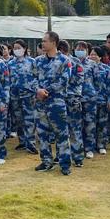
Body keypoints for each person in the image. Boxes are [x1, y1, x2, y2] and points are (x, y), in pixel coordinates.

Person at [34, 31, 72, 175]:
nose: (42, 43)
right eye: (42, 41)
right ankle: (46, 161)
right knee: (42, 134)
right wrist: (37, 90)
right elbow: (31, 78)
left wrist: (45, 91)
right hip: (40, 104)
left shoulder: (64, 60)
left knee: (61, 134)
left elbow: (64, 80)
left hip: (56, 103)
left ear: (54, 43)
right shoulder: (37, 61)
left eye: (45, 41)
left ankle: (64, 164)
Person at [8, 39, 38, 155]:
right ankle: (22, 141)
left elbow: (36, 77)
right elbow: (8, 79)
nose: (17, 50)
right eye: (15, 48)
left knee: (29, 118)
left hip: (28, 95)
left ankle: (31, 143)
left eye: (19, 48)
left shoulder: (31, 62)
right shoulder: (10, 63)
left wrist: (34, 89)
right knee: (18, 119)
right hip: (15, 95)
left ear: (24, 49)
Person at [89, 46, 110, 155]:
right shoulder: (85, 68)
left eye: (95, 55)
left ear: (100, 57)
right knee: (89, 125)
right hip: (89, 101)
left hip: (102, 100)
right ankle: (89, 147)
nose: (92, 56)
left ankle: (101, 145)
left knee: (102, 124)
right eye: (91, 54)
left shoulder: (106, 69)